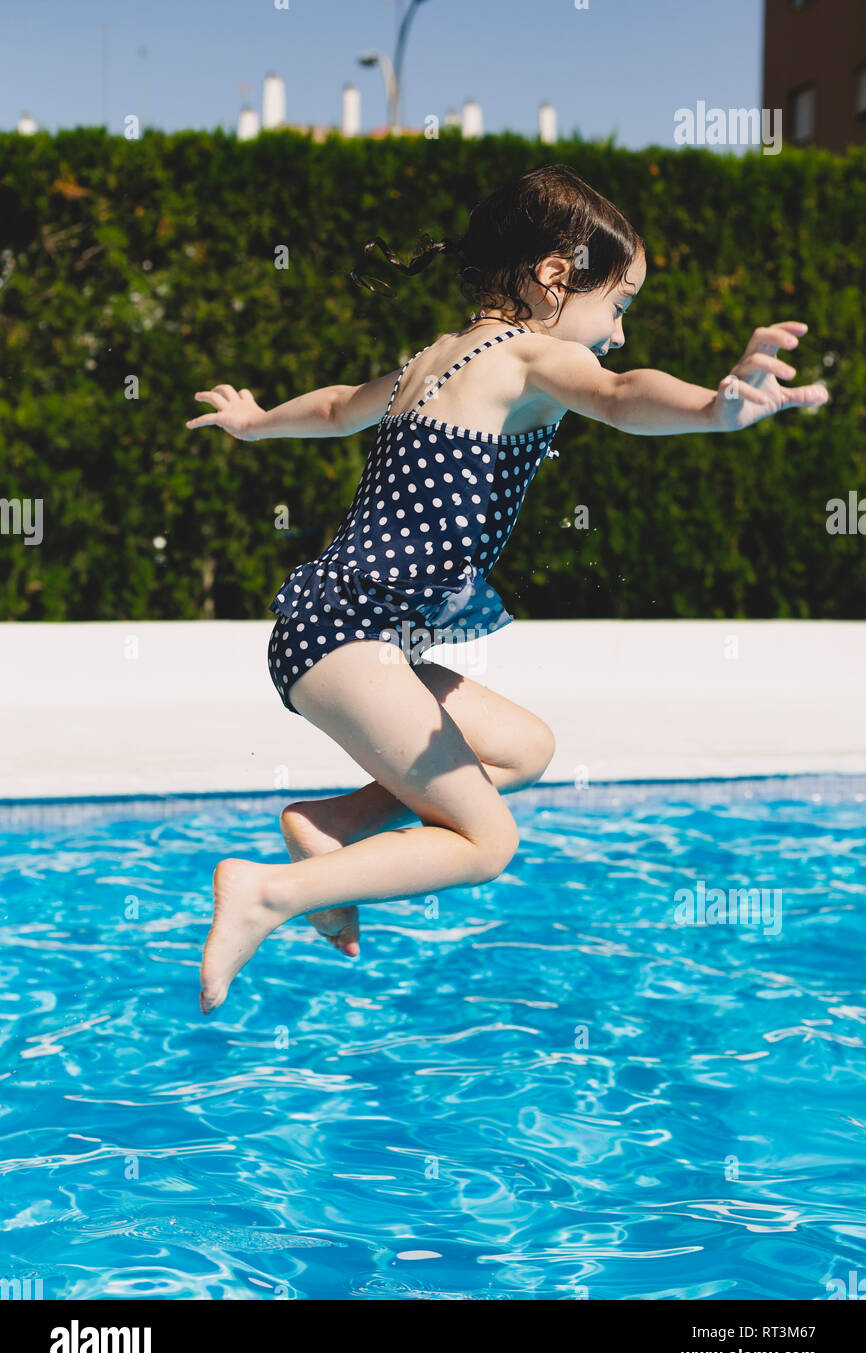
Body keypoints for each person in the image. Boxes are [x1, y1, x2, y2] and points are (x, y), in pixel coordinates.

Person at [186, 163, 828, 1014]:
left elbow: (340, 406)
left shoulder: (434, 357)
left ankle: (332, 827)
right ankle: (266, 894)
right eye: (620, 306)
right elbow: (622, 394)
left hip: (347, 629)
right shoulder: (530, 354)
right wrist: (715, 407)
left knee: (524, 748)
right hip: (347, 633)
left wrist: (257, 421)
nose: (620, 335)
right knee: (487, 842)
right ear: (556, 277)